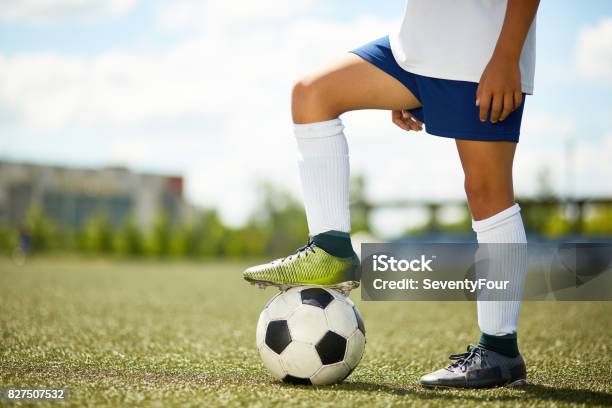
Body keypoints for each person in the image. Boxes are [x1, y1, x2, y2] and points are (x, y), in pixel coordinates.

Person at [243, 0, 539, 388]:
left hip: (479, 54)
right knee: (312, 94)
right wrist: (406, 90)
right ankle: (331, 249)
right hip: (413, 52)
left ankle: (500, 350)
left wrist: (506, 56)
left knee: (488, 191)